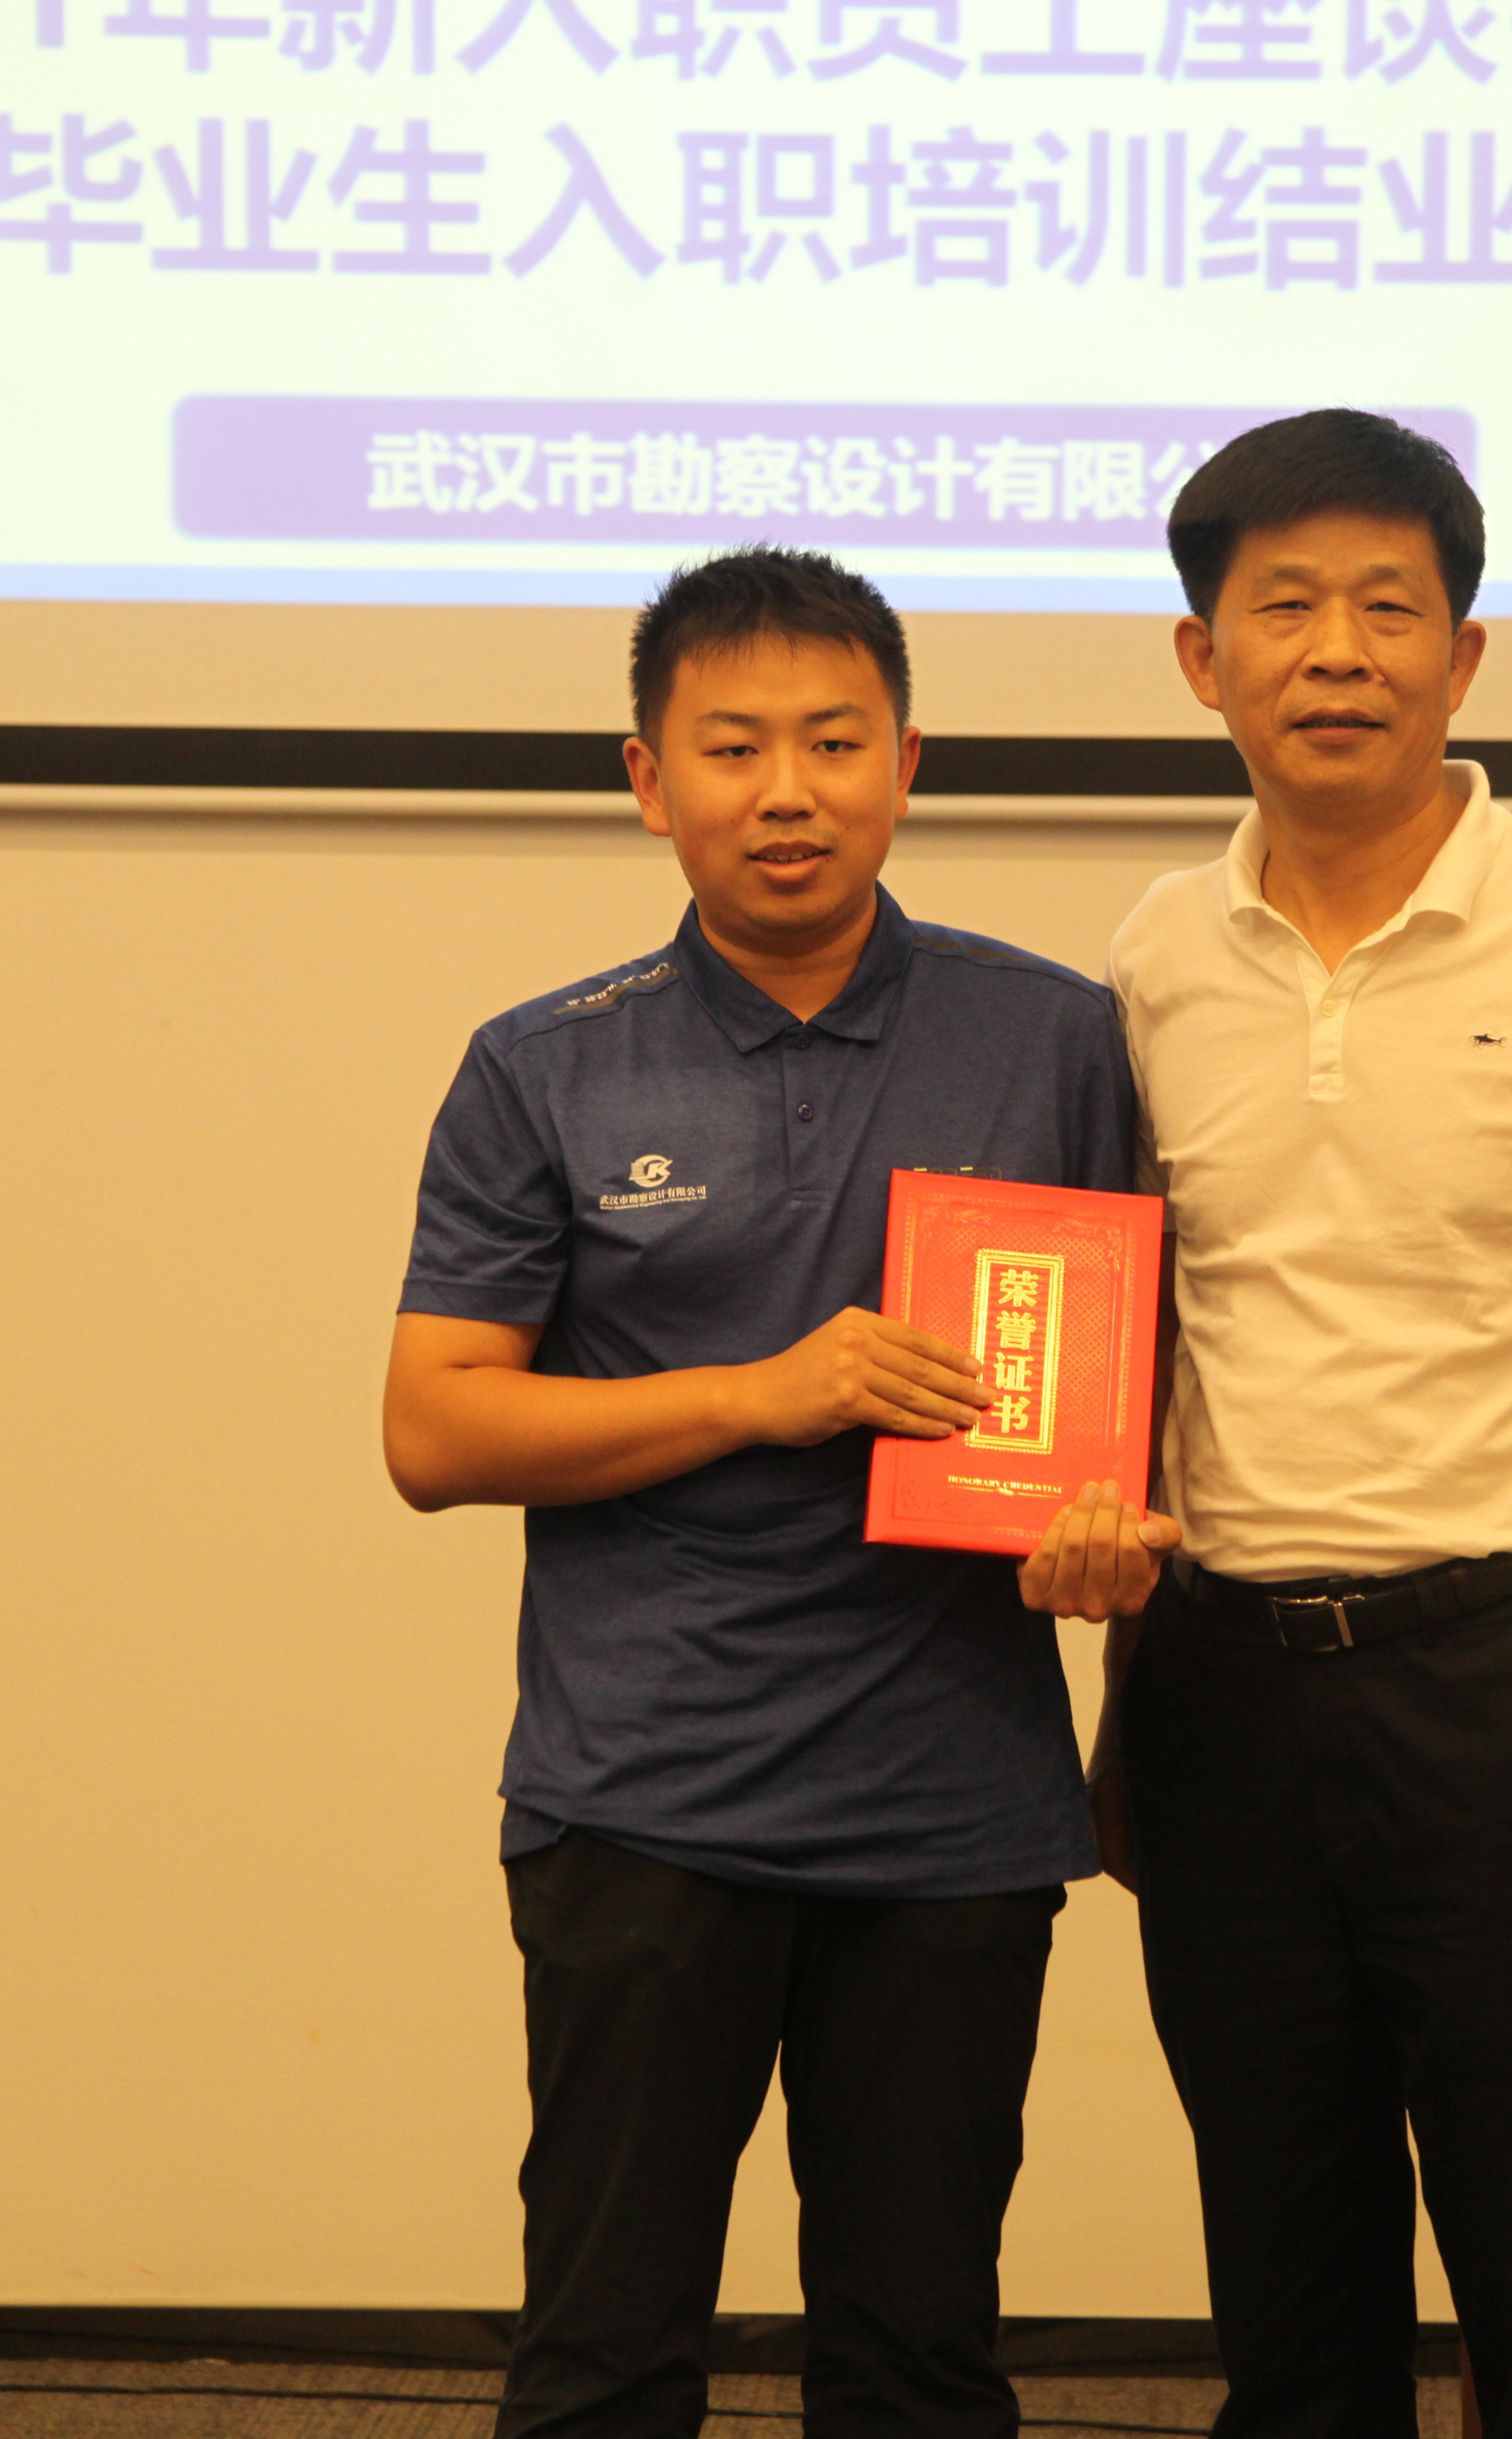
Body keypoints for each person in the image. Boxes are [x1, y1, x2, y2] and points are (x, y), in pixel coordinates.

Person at [1068, 409, 1512, 2439]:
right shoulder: (1153, 955)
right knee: (1286, 2287)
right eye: (1285, 607)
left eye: (1390, 608)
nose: (1339, 652)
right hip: (1221, 1692)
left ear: (1463, 657)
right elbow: (1151, 1332)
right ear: (1202, 659)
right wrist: (1119, 1659)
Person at [380, 547, 1142, 2439]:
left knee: (920, 2358)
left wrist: (1115, 1537)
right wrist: (762, 1396)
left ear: (908, 765)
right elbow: (436, 1434)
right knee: (603, 2353)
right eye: (732, 748)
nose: (786, 791)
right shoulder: (545, 1065)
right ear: (650, 781)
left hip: (952, 1811)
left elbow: (1139, 1390)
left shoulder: (1056, 1038)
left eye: (834, 741)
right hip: (645, 1800)